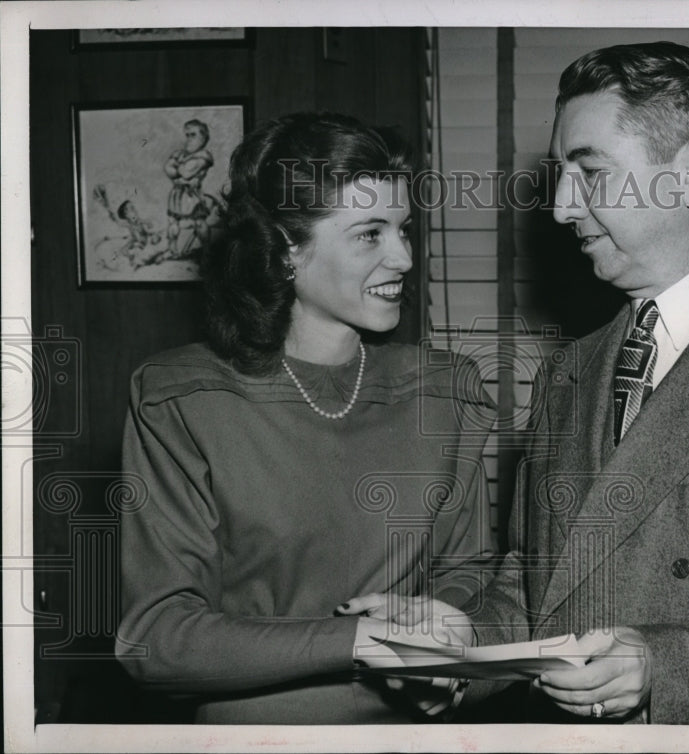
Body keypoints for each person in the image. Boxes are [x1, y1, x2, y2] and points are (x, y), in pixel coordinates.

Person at [344, 40, 689, 725]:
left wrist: (662, 668)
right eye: (561, 175)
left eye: (590, 174)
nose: (561, 208)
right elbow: (537, 588)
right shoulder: (568, 372)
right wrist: (463, 642)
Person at [115, 111, 495, 724]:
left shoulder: (445, 391)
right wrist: (361, 643)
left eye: (404, 229)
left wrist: (442, 637)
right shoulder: (181, 400)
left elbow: (468, 571)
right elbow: (156, 639)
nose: (403, 257)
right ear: (288, 250)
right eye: (370, 234)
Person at [163, 118, 215, 258]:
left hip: (192, 196)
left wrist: (177, 167)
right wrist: (178, 170)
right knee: (173, 221)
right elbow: (168, 169)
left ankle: (207, 250)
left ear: (203, 138)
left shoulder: (203, 156)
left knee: (199, 222)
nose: (189, 139)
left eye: (193, 135)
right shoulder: (181, 154)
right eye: (187, 135)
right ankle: (173, 250)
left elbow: (186, 172)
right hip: (177, 194)